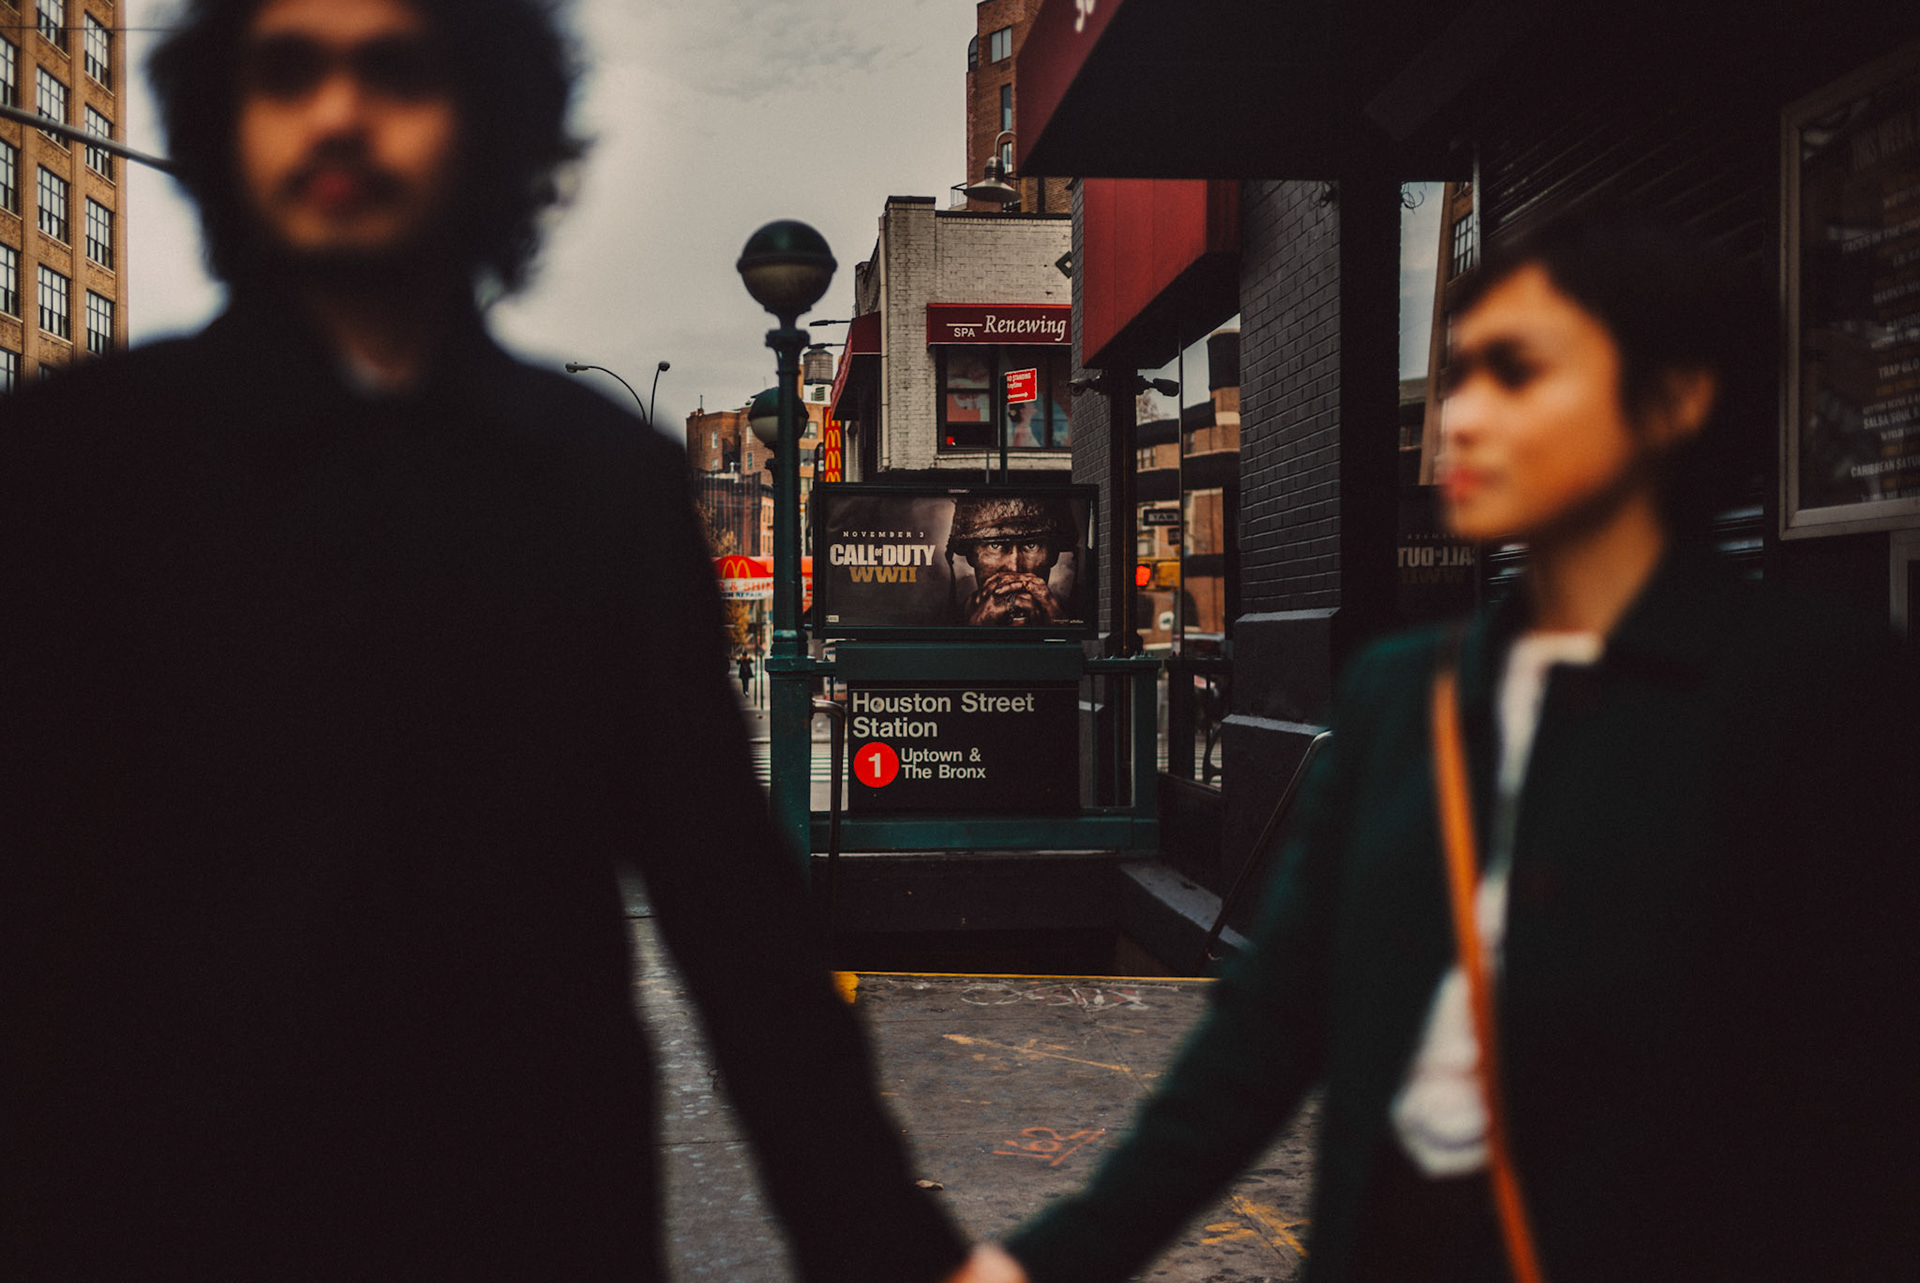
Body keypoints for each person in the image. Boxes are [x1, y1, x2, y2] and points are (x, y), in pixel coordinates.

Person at [0, 2, 969, 1279]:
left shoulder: (604, 485)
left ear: (489, 115)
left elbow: (736, 921)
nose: (339, 112)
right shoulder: (75, 468)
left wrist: (896, 1248)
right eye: (287, 70)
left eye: (396, 67)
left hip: (528, 1213)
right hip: (160, 1214)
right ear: (222, 117)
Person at [953, 218, 1920, 1283]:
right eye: (1457, 374)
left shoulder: (1822, 695)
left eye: (1517, 372)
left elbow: (1860, 1109)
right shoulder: (1402, 691)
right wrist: (1048, 1259)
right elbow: (1267, 1032)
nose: (1459, 414)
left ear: (1673, 400)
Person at [945, 495, 1079, 626]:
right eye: (995, 546)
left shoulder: (1076, 613)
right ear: (971, 555)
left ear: (1053, 554)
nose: (1014, 568)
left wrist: (1061, 629)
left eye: (1031, 545)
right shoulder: (941, 620)